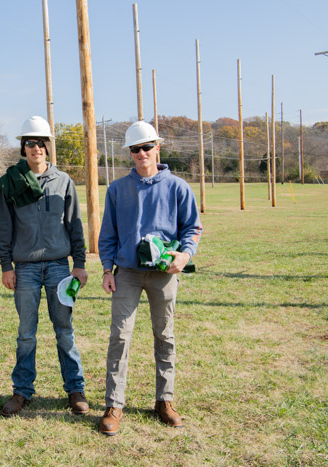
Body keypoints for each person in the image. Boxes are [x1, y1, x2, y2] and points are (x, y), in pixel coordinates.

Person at [97, 121, 202, 436]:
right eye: (135, 149)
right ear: (130, 153)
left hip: (163, 274)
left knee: (165, 337)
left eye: (147, 147)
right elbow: (108, 235)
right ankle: (114, 404)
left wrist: (184, 256)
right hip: (126, 273)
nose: (141, 153)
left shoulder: (178, 187)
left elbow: (192, 228)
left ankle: (164, 400)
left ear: (158, 147)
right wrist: (106, 269)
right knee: (119, 337)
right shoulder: (117, 189)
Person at [0, 116, 90, 417]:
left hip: (60, 268)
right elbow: (4, 227)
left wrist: (81, 264)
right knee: (26, 333)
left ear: (48, 147)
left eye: (41, 143)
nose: (36, 148)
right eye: (30, 143)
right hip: (25, 269)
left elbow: (75, 226)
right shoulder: (11, 181)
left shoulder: (64, 181)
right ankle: (22, 392)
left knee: (65, 331)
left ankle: (75, 389)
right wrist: (5, 265)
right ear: (23, 148)